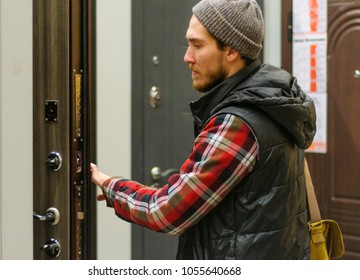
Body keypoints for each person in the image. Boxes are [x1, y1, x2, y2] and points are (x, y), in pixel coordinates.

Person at [91, 0, 316, 259]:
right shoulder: (276, 97)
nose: (187, 56)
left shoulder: (237, 123)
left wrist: (111, 185)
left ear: (231, 51)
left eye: (197, 45)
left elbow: (165, 213)